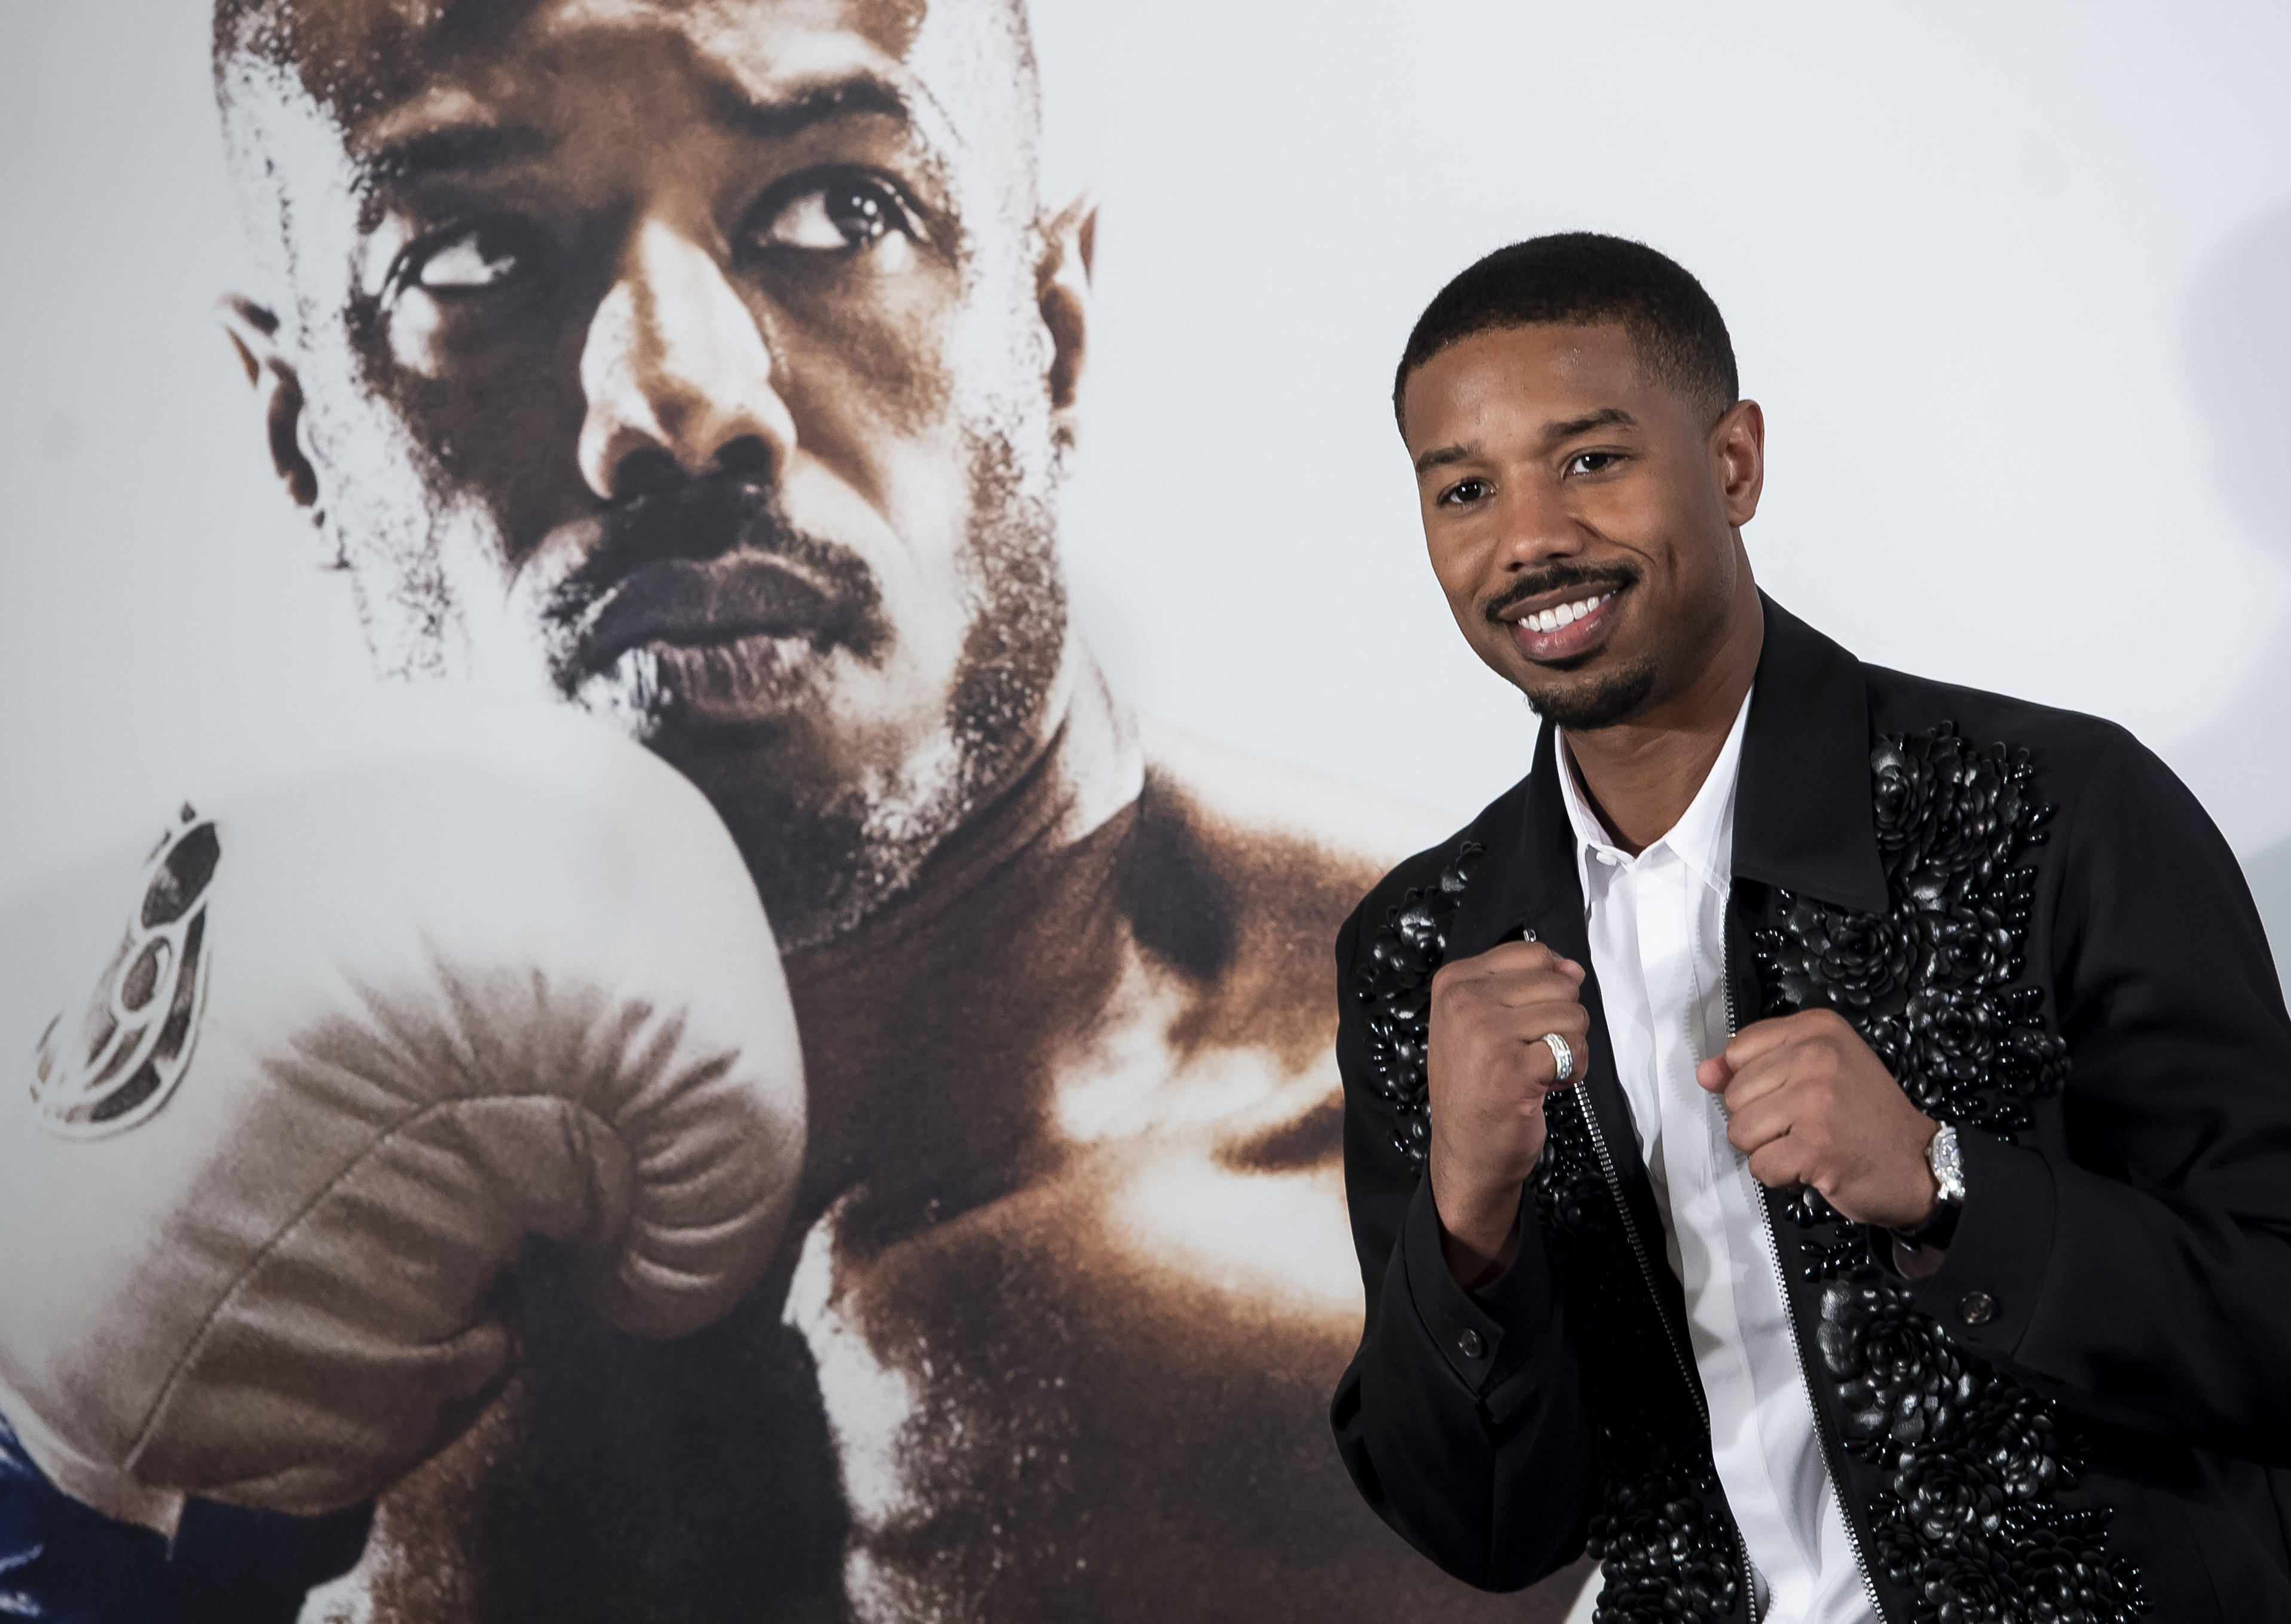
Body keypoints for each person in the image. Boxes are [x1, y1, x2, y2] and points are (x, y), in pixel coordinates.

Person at [0, 1, 1593, 1620]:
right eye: (470, 256)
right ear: (298, 432)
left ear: (1052, 327)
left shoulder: (1571, 1187)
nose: (676, 403)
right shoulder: (116, 1239)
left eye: (840, 210)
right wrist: (54, 1506)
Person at [1329, 233, 2291, 1623]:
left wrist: (1944, 1186)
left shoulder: (2046, 808)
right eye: (1464, 489)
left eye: (1589, 459)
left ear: (1732, 465)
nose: (1527, 537)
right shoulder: (1424, 946)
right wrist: (1466, 1220)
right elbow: (1480, 1530)